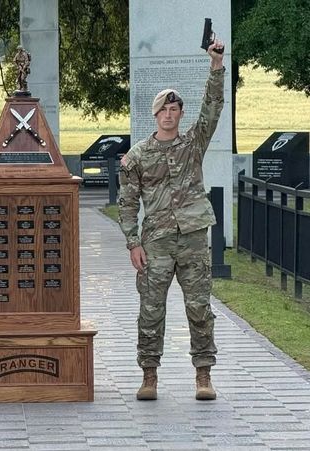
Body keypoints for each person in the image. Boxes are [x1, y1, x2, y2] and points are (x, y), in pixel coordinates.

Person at [117, 38, 225, 401]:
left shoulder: (193, 144)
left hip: (193, 237)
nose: (169, 114)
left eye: (175, 109)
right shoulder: (138, 157)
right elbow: (128, 202)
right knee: (151, 310)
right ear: (155, 114)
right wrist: (133, 242)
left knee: (199, 307)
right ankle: (149, 376)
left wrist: (215, 65)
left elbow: (213, 107)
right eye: (164, 109)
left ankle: (203, 376)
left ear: (180, 114)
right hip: (157, 242)